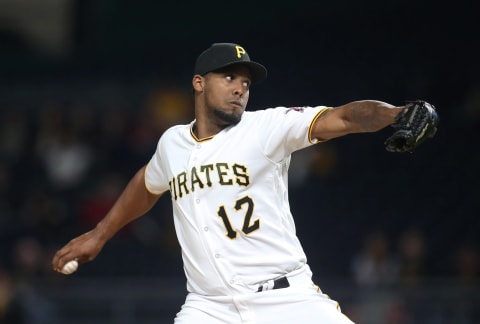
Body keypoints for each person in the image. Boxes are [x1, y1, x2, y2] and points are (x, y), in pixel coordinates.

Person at [52, 42, 418, 323]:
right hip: (209, 307)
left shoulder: (267, 127)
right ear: (199, 83)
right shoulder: (172, 143)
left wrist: (397, 114)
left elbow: (346, 117)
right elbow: (147, 184)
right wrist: (99, 234)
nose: (240, 88)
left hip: (285, 299)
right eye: (229, 77)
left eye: (245, 82)